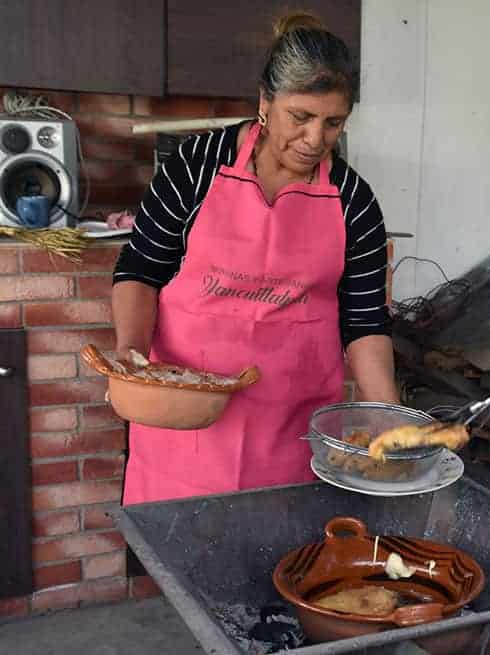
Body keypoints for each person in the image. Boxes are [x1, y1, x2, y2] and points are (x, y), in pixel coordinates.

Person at [112, 12, 399, 505]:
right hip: (184, 427)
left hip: (290, 437)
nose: (315, 140)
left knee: (279, 569)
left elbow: (364, 321)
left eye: (334, 123)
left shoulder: (354, 201)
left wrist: (389, 417)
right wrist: (133, 355)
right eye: (301, 117)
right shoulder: (196, 166)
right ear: (265, 102)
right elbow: (141, 270)